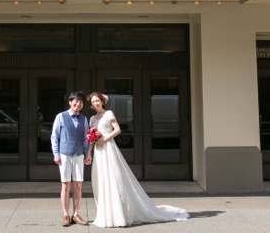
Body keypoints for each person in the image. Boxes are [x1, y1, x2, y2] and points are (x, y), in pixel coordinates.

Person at [86, 91, 189, 228]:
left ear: (102, 101)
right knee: (102, 180)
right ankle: (106, 214)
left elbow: (117, 130)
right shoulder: (92, 119)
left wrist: (104, 138)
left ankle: (118, 215)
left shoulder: (108, 113)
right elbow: (91, 139)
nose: (96, 103)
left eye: (97, 100)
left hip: (109, 148)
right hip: (98, 153)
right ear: (91, 104)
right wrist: (89, 153)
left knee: (113, 179)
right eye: (93, 102)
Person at [51, 91, 92, 227]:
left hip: (79, 154)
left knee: (78, 184)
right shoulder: (61, 117)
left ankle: (76, 214)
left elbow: (86, 138)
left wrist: (87, 154)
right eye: (76, 101)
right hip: (65, 154)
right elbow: (54, 136)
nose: (78, 104)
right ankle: (65, 215)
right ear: (70, 102)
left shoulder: (83, 119)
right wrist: (56, 154)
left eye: (81, 102)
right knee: (66, 184)